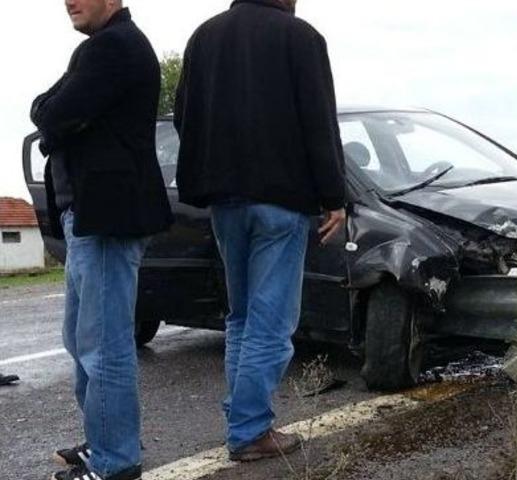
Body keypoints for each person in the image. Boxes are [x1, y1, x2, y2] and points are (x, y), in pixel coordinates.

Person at [174, 0, 346, 462]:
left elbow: (181, 114)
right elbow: (318, 121)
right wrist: (334, 197)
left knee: (242, 316)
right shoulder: (300, 37)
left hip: (224, 200)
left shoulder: (203, 37)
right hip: (281, 200)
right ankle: (249, 430)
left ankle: (243, 418)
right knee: (271, 321)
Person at [30, 0, 173, 478]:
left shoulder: (115, 47)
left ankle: (115, 460)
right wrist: (60, 120)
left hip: (109, 218)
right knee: (80, 337)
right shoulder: (97, 50)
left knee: (103, 343)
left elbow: (52, 117)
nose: (68, 2)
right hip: (90, 219)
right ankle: (104, 440)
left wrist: (60, 122)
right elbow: (44, 110)